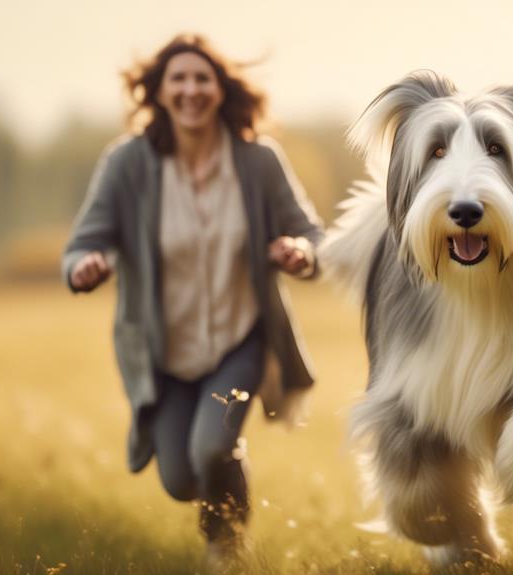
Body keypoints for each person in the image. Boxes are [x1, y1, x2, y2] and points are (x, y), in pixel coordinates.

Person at [61, 33, 323, 561]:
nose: (190, 89)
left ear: (221, 90)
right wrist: (83, 268)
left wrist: (299, 252)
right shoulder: (127, 164)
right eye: (177, 79)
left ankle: (226, 550)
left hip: (241, 340)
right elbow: (83, 244)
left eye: (202, 78)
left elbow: (312, 234)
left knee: (210, 446)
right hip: (165, 354)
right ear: (157, 92)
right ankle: (230, 478)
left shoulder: (257, 161)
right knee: (181, 478)